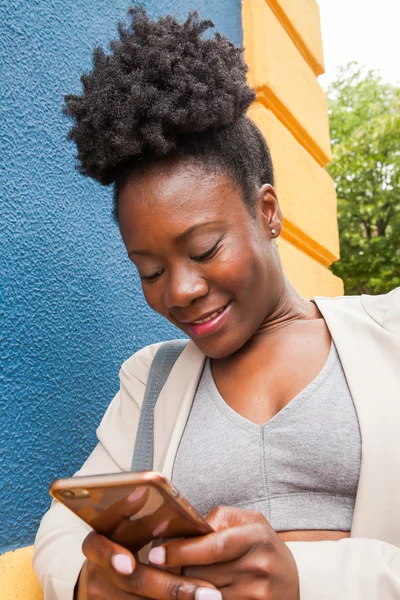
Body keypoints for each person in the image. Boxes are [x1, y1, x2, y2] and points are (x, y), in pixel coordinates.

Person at [33, 7, 400, 600]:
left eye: (204, 249)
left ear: (269, 211)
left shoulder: (392, 334)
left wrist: (306, 579)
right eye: (149, 270)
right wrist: (86, 580)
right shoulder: (148, 382)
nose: (178, 291)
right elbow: (62, 529)